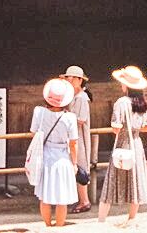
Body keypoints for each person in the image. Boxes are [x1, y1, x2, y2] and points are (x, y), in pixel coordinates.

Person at [98, 65, 147, 227]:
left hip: (123, 144)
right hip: (136, 145)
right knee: (135, 180)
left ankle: (101, 220)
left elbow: (116, 128)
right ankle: (131, 218)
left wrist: (124, 129)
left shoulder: (121, 103)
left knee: (112, 180)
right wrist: (135, 128)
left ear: (126, 86)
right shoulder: (142, 103)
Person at [30, 77, 79, 228]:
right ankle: (59, 227)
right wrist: (75, 163)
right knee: (61, 198)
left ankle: (47, 226)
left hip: (44, 156)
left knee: (45, 197)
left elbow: (34, 134)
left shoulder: (39, 112)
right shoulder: (70, 117)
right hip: (62, 157)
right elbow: (73, 143)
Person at [63, 64, 93, 212]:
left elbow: (80, 120)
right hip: (71, 137)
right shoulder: (70, 97)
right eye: (67, 77)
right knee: (72, 167)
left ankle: (85, 201)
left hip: (79, 138)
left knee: (79, 168)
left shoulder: (81, 98)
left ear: (79, 80)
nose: (69, 79)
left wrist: (63, 117)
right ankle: (78, 199)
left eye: (71, 77)